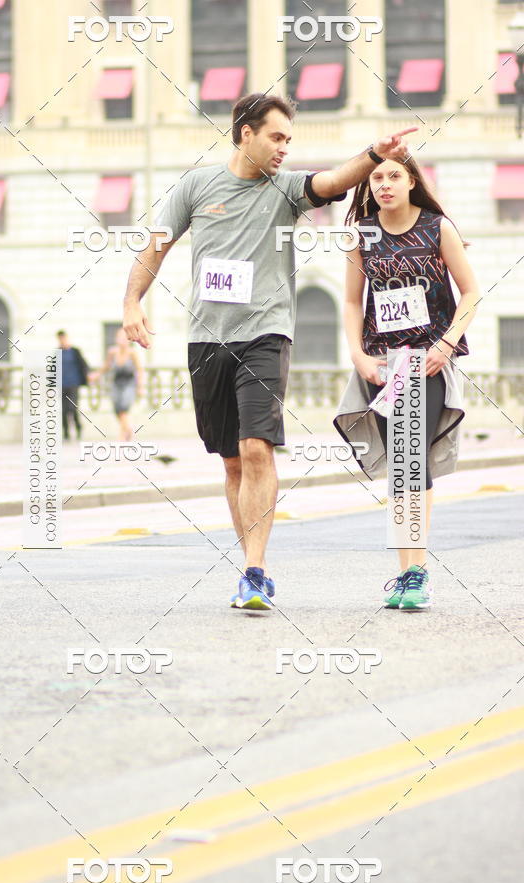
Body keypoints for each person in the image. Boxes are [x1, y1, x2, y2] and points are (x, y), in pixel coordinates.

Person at [123, 92, 416, 611]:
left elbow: (329, 182)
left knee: (258, 446)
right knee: (233, 462)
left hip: (266, 334)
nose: (284, 148)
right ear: (245, 133)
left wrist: (374, 154)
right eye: (276, 137)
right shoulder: (196, 186)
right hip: (208, 339)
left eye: (288, 139)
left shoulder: (286, 190)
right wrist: (132, 302)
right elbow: (157, 245)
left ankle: (256, 574)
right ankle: (248, 566)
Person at [334, 155, 479, 611]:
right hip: (382, 365)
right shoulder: (362, 234)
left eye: (394, 175)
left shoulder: (438, 228)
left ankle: (415, 575)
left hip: (428, 361)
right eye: (376, 177)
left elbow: (471, 292)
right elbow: (353, 302)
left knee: (410, 459)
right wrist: (358, 355)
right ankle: (408, 573)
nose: (384, 184)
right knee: (403, 466)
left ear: (412, 181)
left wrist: (446, 343)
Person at [95, 327, 144, 441]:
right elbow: (106, 366)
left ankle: (123, 434)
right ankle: (127, 430)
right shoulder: (112, 352)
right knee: (117, 408)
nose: (122, 340)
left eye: (124, 338)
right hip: (116, 383)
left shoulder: (132, 353)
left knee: (124, 407)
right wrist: (97, 375)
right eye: (120, 337)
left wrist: (140, 387)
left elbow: (139, 370)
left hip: (129, 383)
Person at [56, 330, 90, 440]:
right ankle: (66, 433)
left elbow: (84, 365)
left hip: (74, 383)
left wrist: (87, 376)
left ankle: (78, 428)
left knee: (73, 407)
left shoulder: (75, 351)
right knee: (64, 409)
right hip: (62, 384)